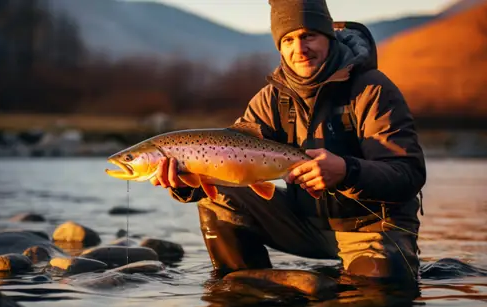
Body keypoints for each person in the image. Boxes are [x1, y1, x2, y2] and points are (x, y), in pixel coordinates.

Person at [150, 0, 427, 281]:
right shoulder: (269, 100)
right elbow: (229, 166)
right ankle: (247, 296)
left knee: (372, 306)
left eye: (309, 36)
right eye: (289, 40)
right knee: (218, 201)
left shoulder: (373, 89)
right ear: (279, 46)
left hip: (372, 227)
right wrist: (188, 183)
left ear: (328, 36)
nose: (299, 49)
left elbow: (409, 174)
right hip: (305, 223)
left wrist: (347, 171)